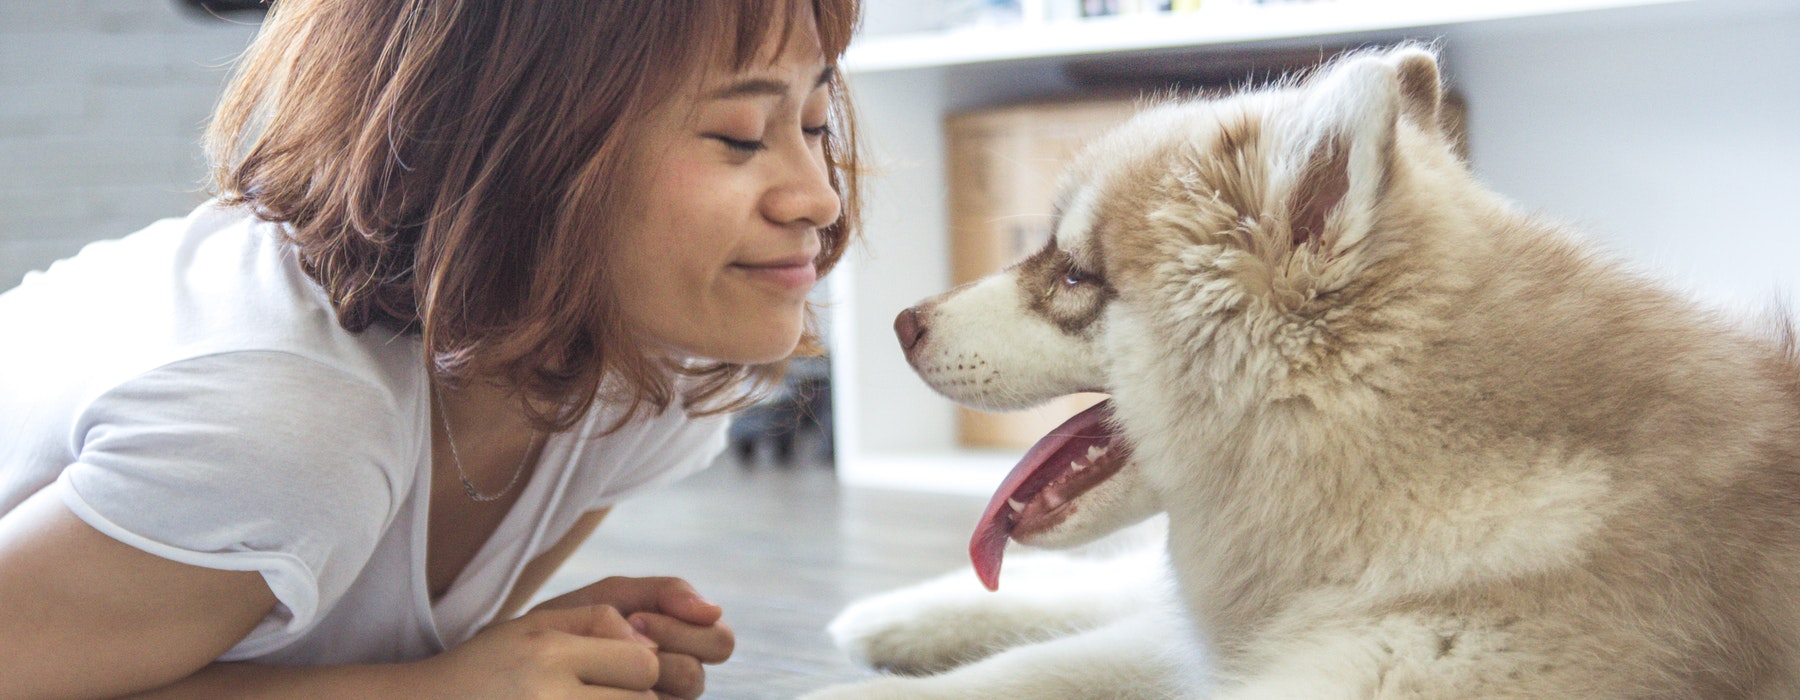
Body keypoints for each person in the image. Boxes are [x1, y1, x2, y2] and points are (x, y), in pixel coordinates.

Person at [0, 0, 861, 696]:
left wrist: (534, 656)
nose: (818, 198)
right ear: (516, 148)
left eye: (818, 123)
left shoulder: (650, 371)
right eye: (740, 135)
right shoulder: (285, 427)